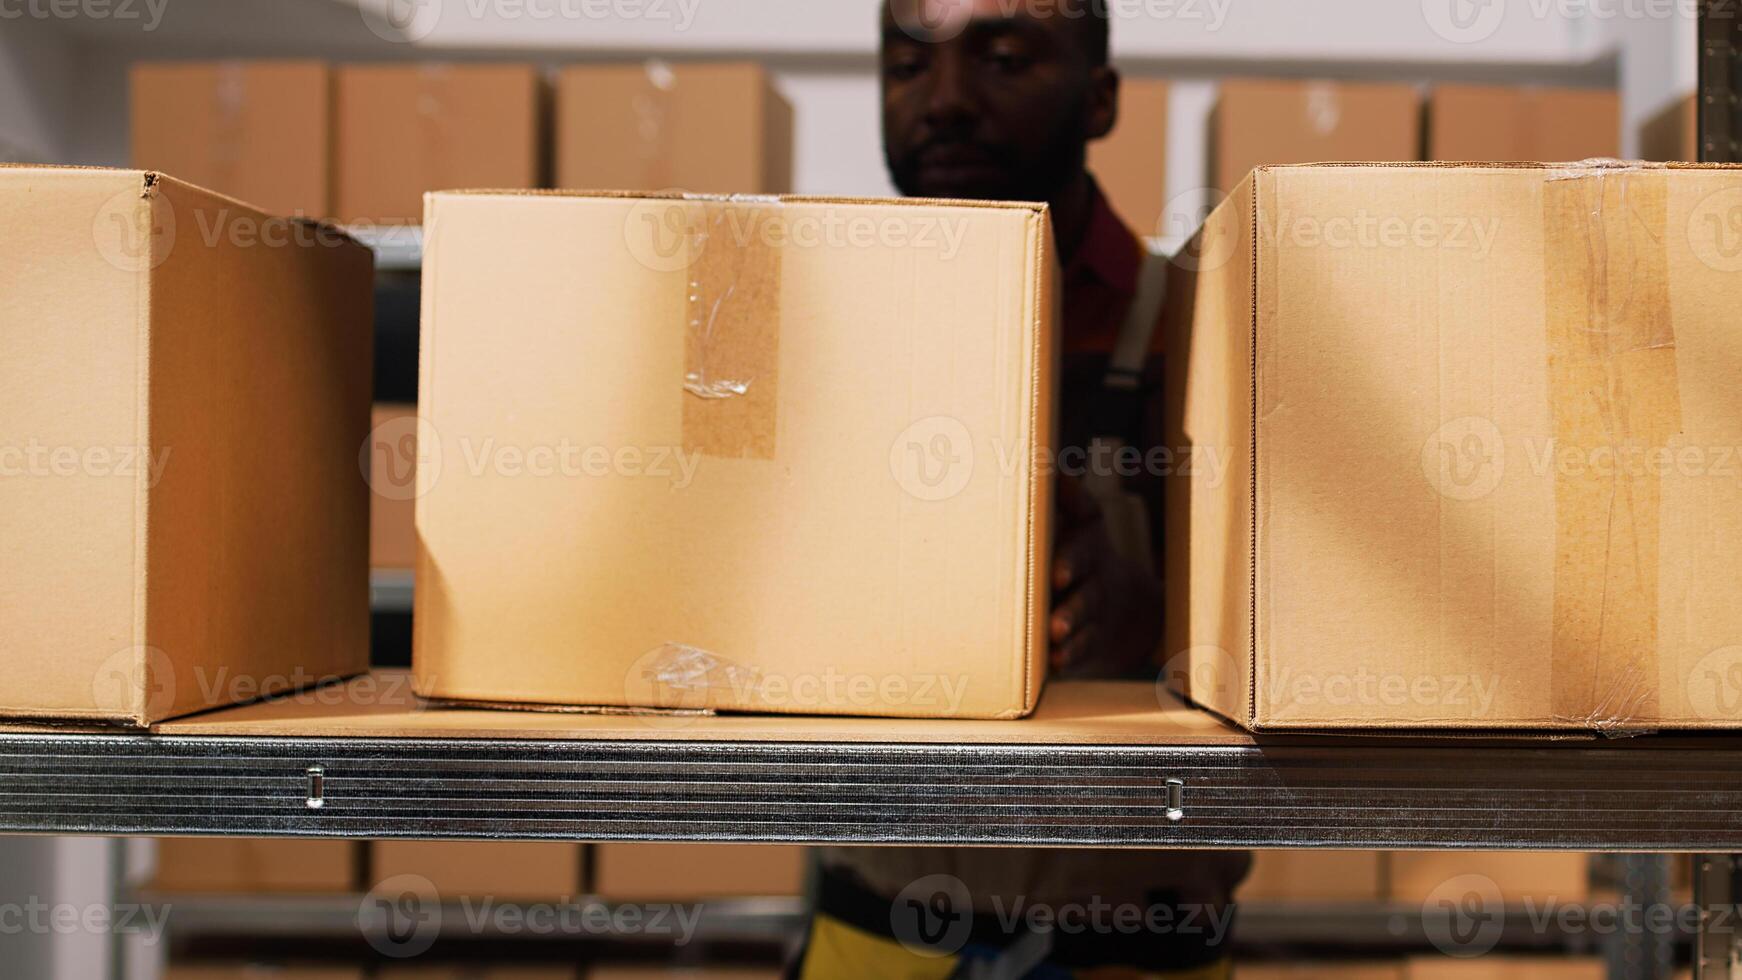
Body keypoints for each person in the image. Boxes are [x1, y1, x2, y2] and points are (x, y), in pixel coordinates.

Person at [790, 1, 1249, 977]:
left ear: (1099, 99)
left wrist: (1164, 634)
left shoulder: (1208, 325)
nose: (945, 100)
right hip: (876, 942)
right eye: (906, 68)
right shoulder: (825, 335)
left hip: (1130, 948)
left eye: (1001, 59)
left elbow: (1322, 637)